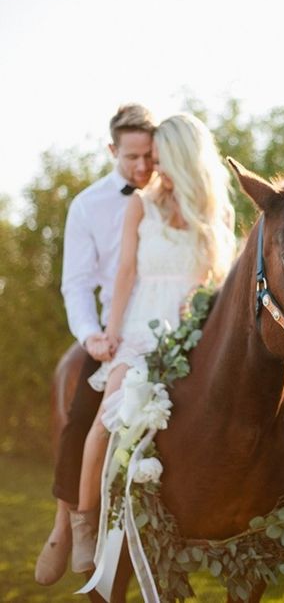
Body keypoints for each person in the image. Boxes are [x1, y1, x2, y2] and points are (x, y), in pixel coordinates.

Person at [69, 112, 236, 572]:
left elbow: (220, 278)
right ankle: (85, 526)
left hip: (194, 328)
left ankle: (267, 507)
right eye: (150, 158)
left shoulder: (217, 210)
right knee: (107, 420)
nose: (153, 168)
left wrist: (198, 304)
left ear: (185, 159)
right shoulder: (142, 203)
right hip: (142, 323)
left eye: (161, 159)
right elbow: (125, 273)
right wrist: (113, 332)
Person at [35, 103, 157, 585]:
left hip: (168, 320)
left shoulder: (174, 194)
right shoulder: (87, 205)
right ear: (112, 150)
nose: (142, 168)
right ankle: (66, 522)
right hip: (112, 329)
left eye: (149, 156)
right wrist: (91, 335)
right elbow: (77, 282)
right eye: (132, 158)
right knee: (83, 411)